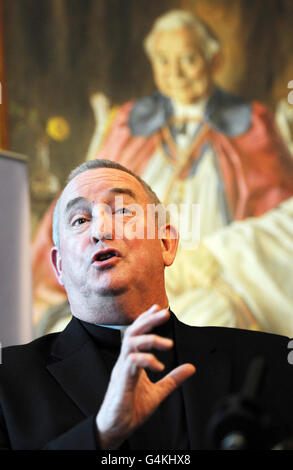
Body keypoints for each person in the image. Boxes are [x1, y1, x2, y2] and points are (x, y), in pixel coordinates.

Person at [1, 159, 293, 450]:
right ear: (59, 265)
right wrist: (100, 434)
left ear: (166, 243)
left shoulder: (272, 361)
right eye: (80, 220)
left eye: (123, 211)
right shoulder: (9, 381)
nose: (101, 231)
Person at [32, 9, 293, 334]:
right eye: (164, 61)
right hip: (127, 279)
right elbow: (84, 194)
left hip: (212, 281)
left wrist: (215, 257)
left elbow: (279, 225)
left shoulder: (253, 125)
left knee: (205, 323)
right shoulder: (129, 124)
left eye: (188, 59)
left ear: (215, 62)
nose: (176, 73)